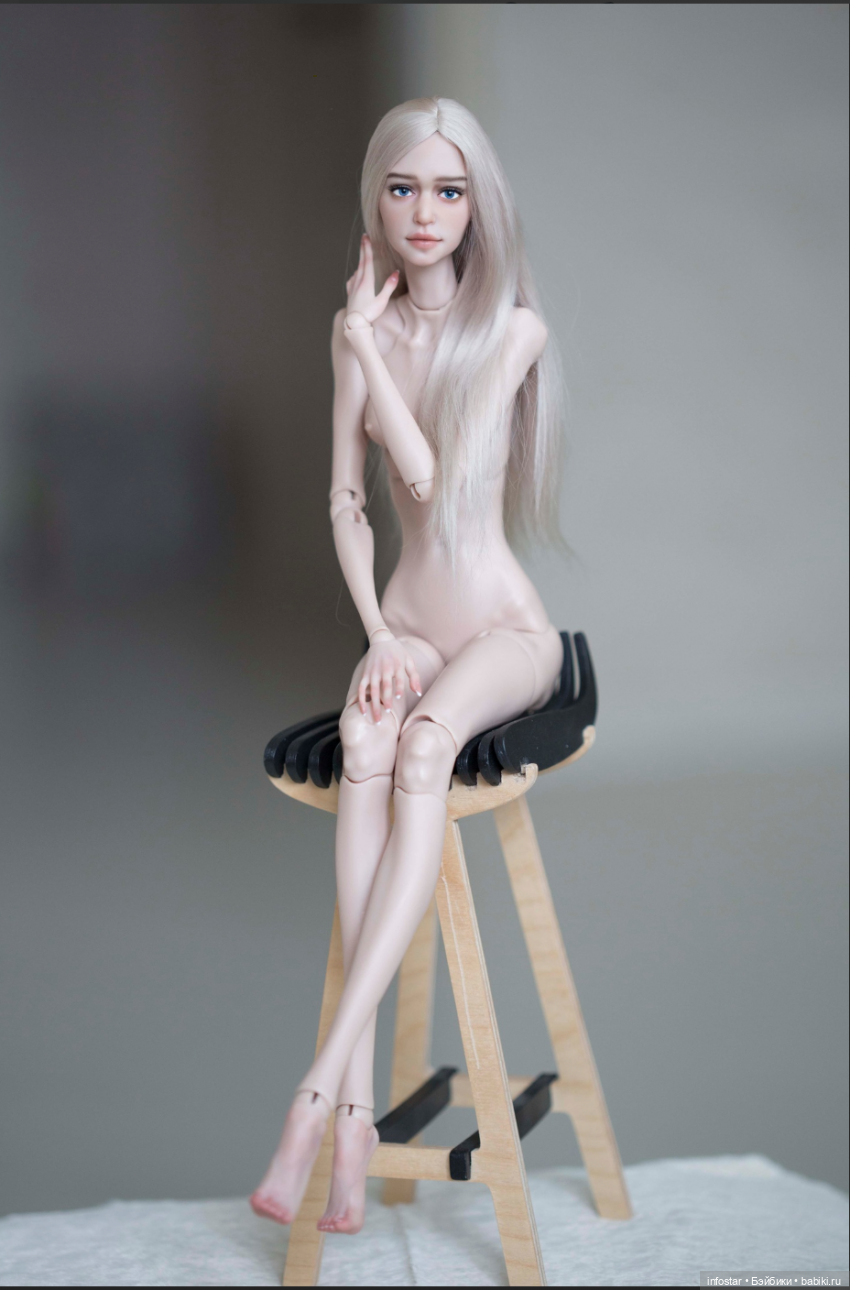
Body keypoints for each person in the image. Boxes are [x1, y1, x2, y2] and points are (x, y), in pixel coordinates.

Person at [251, 96, 566, 1236]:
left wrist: (363, 348)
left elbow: (427, 480)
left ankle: (319, 1096)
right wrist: (378, 637)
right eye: (402, 189)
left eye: (447, 189)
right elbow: (348, 503)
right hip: (411, 629)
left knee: (425, 744)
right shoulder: (359, 334)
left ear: (478, 205)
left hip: (504, 636)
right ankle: (352, 1121)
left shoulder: (511, 332)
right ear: (376, 201)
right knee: (366, 736)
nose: (424, 212)